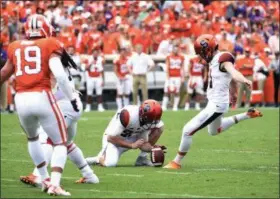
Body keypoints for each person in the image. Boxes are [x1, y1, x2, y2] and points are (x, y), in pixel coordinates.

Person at [0, 14, 79, 196]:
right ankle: (55, 184)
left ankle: (44, 179)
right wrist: (72, 97)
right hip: (41, 95)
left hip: (21, 99)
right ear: (45, 27)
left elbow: (4, 73)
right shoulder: (50, 43)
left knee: (33, 138)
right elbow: (59, 75)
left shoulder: (14, 46)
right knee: (60, 141)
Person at [164, 34, 263, 170]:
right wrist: (233, 91)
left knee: (187, 130)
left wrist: (244, 80)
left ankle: (176, 162)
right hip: (216, 102)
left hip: (217, 105)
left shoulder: (224, 58)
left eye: (202, 52)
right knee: (214, 131)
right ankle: (247, 115)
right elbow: (227, 77)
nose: (202, 56)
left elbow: (233, 72)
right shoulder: (215, 59)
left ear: (209, 49)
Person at [19, 76, 99, 186]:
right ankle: (89, 175)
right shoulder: (60, 63)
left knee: (48, 139)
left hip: (65, 105)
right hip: (71, 104)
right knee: (67, 143)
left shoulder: (52, 63)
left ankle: (37, 175)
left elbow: (53, 88)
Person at [86, 99, 165, 167]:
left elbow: (143, 144)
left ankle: (142, 158)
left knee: (160, 127)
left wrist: (153, 148)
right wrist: (131, 145)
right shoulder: (128, 115)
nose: (152, 123)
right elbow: (110, 138)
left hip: (130, 137)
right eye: (150, 120)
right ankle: (98, 159)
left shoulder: (150, 120)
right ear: (143, 115)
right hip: (114, 139)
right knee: (110, 164)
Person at [161, 45, 185, 111]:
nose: (175, 50)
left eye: (177, 49)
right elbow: (167, 67)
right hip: (170, 76)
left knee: (177, 92)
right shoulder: (169, 57)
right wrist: (167, 76)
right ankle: (163, 106)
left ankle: (175, 106)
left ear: (178, 50)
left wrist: (183, 77)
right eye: (174, 49)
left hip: (178, 77)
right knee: (166, 91)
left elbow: (182, 67)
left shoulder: (181, 57)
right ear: (172, 50)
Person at [84, 48, 105, 112]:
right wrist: (91, 63)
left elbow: (102, 70)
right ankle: (88, 106)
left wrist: (103, 80)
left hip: (98, 77)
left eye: (96, 53)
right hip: (90, 77)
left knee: (99, 93)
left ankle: (100, 106)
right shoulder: (88, 59)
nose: (95, 54)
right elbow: (85, 68)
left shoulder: (101, 59)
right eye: (94, 53)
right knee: (89, 93)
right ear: (92, 53)